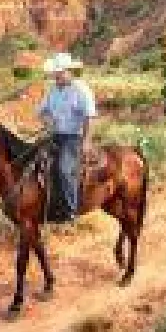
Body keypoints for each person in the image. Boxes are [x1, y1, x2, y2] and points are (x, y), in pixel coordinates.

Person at [37, 52, 98, 223]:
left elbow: (90, 116)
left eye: (59, 73)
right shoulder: (53, 91)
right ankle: (45, 204)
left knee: (64, 169)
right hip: (55, 135)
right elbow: (42, 111)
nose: (56, 76)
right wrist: (48, 122)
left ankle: (71, 211)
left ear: (68, 71)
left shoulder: (80, 89)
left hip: (73, 137)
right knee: (34, 159)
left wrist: (86, 141)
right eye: (55, 73)